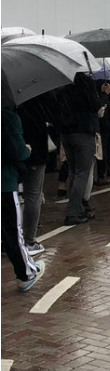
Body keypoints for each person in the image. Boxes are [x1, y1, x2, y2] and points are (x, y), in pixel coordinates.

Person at [56, 72, 108, 226]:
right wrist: (104, 95)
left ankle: (76, 208)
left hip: (66, 133)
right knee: (82, 173)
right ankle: (73, 212)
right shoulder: (86, 83)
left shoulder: (64, 82)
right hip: (84, 131)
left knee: (73, 171)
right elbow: (98, 110)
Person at [2, 107, 45, 291]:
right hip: (4, 182)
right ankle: (26, 273)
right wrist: (26, 149)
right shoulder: (8, 117)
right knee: (13, 231)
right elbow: (18, 151)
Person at [17, 95, 57, 256]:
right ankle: (29, 241)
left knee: (12, 196)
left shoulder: (9, 100)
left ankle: (9, 238)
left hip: (13, 152)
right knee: (33, 195)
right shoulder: (38, 96)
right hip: (35, 152)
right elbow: (51, 118)